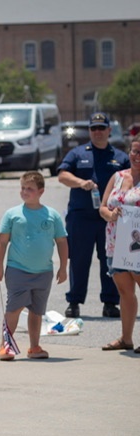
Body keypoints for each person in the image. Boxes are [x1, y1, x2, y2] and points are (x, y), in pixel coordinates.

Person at [58, 112, 130, 319]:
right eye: (93, 128)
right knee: (79, 260)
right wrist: (81, 183)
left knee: (110, 259)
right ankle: (74, 302)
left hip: (109, 217)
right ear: (89, 131)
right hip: (81, 217)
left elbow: (132, 179)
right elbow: (63, 175)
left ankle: (110, 302)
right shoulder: (77, 153)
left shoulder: (120, 157)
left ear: (109, 130)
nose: (97, 132)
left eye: (101, 128)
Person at [0, 171, 68, 361]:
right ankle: (6, 346)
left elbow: (61, 242)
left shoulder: (52, 215)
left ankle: (34, 347)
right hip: (17, 269)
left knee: (36, 312)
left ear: (41, 191)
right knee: (14, 309)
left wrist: (63, 267)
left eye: (30, 189)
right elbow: (2, 242)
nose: (25, 192)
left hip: (44, 272)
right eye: (23, 188)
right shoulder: (13, 214)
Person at [99, 133, 140, 353]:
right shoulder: (117, 177)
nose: (137, 156)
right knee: (125, 292)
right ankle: (126, 338)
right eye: (134, 151)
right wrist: (110, 214)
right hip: (116, 244)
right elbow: (103, 207)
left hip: (138, 246)